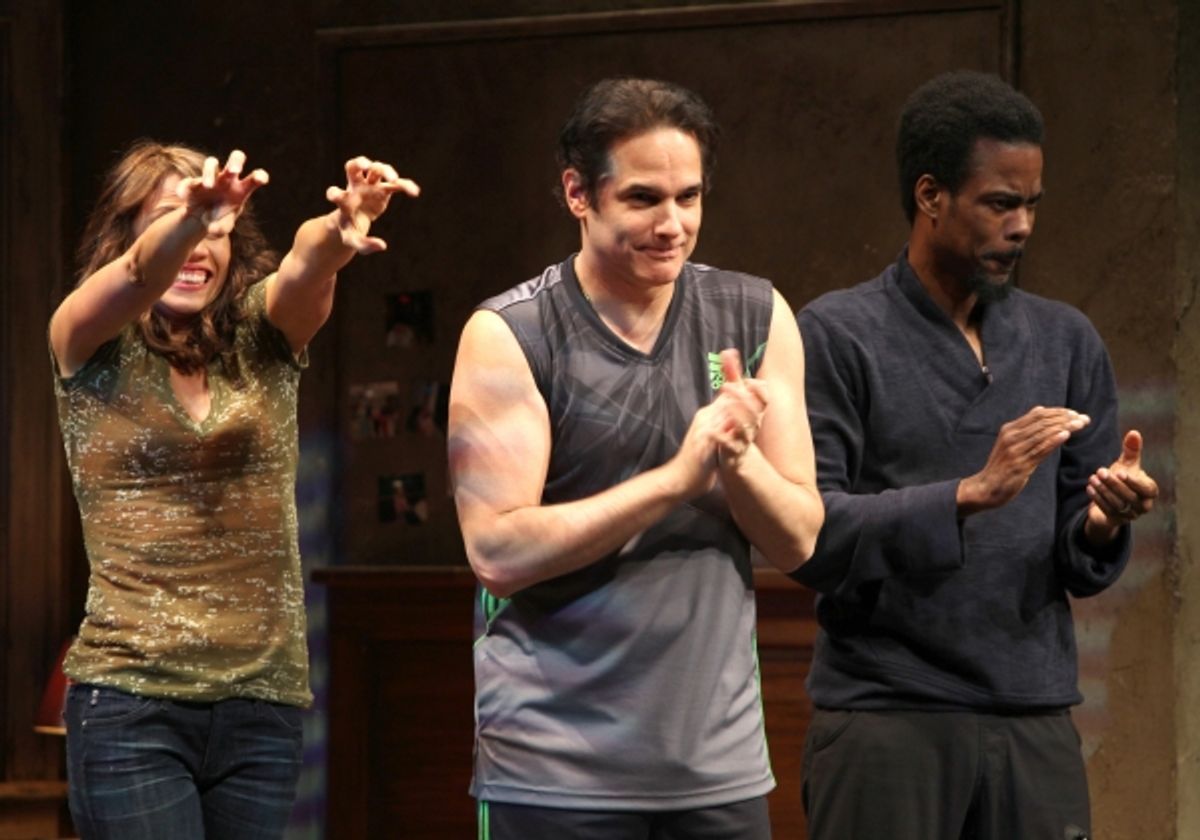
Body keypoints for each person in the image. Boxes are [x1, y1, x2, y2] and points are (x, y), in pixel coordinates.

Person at [448, 77, 824, 839]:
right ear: (577, 193)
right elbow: (495, 550)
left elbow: (799, 540)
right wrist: (678, 479)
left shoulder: (755, 316)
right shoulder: (510, 333)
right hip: (554, 770)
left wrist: (739, 464)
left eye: (689, 197)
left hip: (715, 766)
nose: (673, 224)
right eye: (645, 199)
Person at [792, 70, 1159, 840]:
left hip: (1032, 713)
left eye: (1031, 205)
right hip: (888, 714)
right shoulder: (836, 334)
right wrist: (967, 493)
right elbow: (810, 532)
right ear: (931, 196)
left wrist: (1100, 520)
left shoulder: (1064, 340)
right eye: (1000, 203)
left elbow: (1076, 550)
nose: (1022, 226)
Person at [50, 141, 418, 839]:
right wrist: (193, 219)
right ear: (127, 232)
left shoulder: (262, 332)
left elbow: (307, 264)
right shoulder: (85, 339)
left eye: (218, 226)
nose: (199, 244)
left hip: (262, 702)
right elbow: (134, 275)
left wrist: (341, 233)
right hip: (132, 702)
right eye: (174, 218)